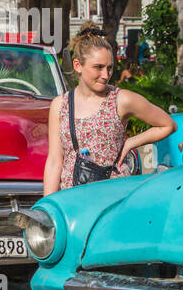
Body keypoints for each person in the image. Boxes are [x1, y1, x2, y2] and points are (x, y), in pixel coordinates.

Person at [43, 24, 176, 195]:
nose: (106, 75)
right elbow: (55, 161)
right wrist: (49, 207)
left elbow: (168, 125)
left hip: (114, 198)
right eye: (98, 67)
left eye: (110, 68)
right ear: (78, 65)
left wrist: (131, 142)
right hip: (74, 200)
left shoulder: (121, 99)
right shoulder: (60, 105)